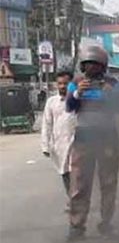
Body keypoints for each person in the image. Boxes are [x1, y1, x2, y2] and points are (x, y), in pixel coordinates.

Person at [65, 45, 119, 241]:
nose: (91, 68)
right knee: (80, 183)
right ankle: (77, 225)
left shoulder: (113, 84)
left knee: (108, 182)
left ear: (103, 66)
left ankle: (106, 222)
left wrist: (111, 95)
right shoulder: (76, 83)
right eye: (87, 64)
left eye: (95, 64)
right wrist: (76, 94)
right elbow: (69, 107)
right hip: (83, 139)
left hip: (107, 138)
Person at [41, 70, 76, 210]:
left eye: (65, 84)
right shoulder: (51, 102)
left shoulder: (77, 100)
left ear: (71, 84)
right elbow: (47, 124)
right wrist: (45, 146)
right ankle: (72, 198)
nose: (62, 86)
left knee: (76, 174)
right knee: (65, 173)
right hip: (59, 145)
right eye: (60, 83)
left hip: (76, 143)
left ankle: (77, 200)